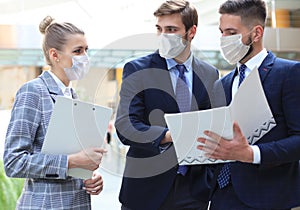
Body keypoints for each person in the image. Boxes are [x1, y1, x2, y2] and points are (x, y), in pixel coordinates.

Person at [114, 0, 219, 209]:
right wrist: (171, 136)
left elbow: (213, 124)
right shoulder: (137, 69)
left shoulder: (209, 74)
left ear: (191, 32)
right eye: (159, 29)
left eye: (171, 29)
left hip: (193, 191)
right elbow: (126, 127)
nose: (163, 36)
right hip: (146, 191)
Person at [197, 0, 300, 209]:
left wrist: (251, 154)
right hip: (221, 196)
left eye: (231, 32)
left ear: (257, 33)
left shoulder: (289, 73)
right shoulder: (221, 85)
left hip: (267, 198)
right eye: (221, 32)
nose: (224, 39)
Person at [3, 16, 106, 209]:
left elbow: (71, 162)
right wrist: (71, 161)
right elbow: (13, 161)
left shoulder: (73, 97)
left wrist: (89, 177)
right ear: (55, 55)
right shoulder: (33, 92)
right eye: (77, 51)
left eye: (86, 50)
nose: (84, 57)